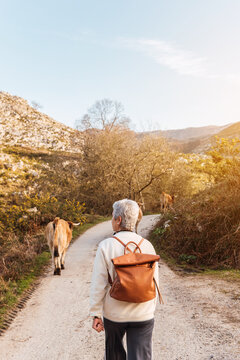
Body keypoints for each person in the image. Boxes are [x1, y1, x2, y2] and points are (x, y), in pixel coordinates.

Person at [89, 199, 159, 360]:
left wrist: (96, 314)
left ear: (118, 220)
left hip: (115, 314)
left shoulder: (106, 246)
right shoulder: (147, 245)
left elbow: (98, 283)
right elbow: (155, 281)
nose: (112, 220)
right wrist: (149, 308)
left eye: (112, 217)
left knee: (114, 355)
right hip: (143, 313)